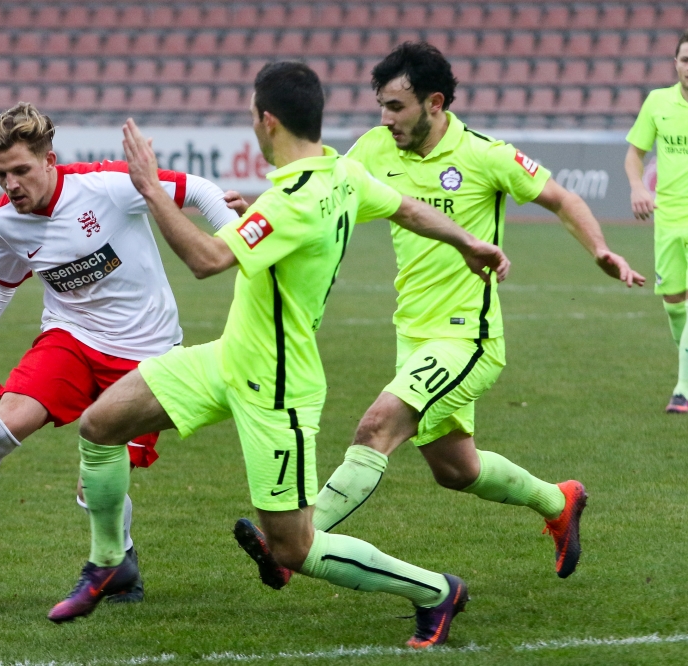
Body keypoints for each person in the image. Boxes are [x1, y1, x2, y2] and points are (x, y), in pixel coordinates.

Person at [47, 62, 510, 649]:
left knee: (294, 545)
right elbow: (407, 208)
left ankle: (435, 590)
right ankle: (110, 562)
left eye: (251, 115)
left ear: (267, 121)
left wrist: (150, 189)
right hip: (229, 359)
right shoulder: (341, 173)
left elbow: (206, 261)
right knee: (100, 425)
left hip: (277, 387)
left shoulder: (292, 199)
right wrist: (469, 241)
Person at [237, 43, 645, 593]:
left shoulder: (485, 155)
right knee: (457, 470)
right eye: (381, 105)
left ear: (435, 103)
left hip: (468, 339)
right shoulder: (373, 149)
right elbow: (321, 196)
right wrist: (259, 215)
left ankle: (291, 543)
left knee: (375, 428)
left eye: (397, 107)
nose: (386, 119)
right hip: (412, 334)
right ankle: (559, 500)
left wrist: (599, 249)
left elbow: (561, 199)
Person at [0, 102, 240, 604]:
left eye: (21, 171)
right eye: (0, 174)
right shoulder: (8, 223)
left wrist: (234, 238)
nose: (11, 185)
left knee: (92, 483)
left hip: (147, 354)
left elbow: (201, 190)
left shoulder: (108, 187)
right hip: (71, 339)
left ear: (50, 159)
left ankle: (119, 560)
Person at [625, 30, 688, 413]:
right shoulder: (658, 102)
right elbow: (635, 155)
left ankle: (683, 388)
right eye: (685, 60)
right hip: (668, 217)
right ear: (676, 63)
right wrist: (637, 187)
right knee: (674, 304)